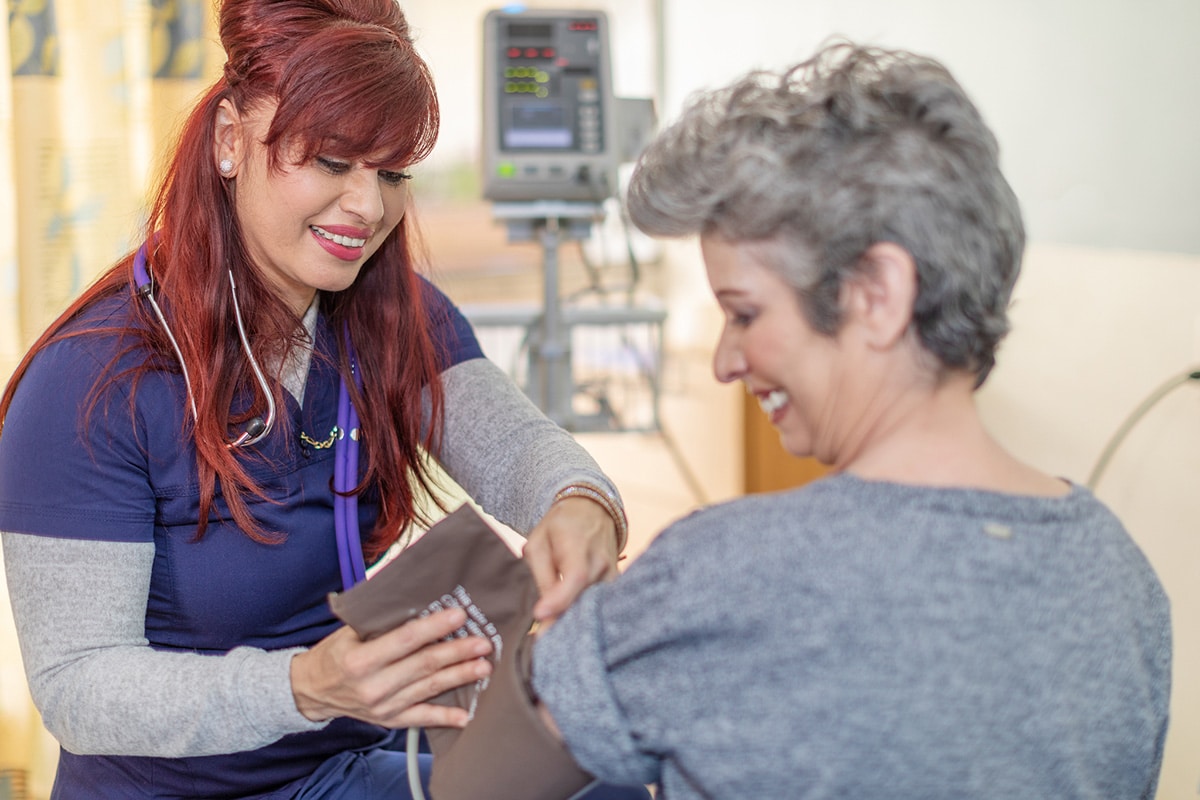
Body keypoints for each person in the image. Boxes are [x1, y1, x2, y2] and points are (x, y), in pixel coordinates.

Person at [0, 1, 648, 798]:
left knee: (612, 770)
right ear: (232, 141)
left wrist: (582, 505)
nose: (370, 208)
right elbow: (77, 688)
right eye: (334, 163)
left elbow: (520, 450)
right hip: (186, 788)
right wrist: (305, 687)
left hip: (349, 753)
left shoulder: (389, 315)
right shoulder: (92, 382)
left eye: (392, 172)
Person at [527, 41, 1172, 798]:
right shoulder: (1120, 580)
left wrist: (565, 638)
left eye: (744, 313)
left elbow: (491, 776)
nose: (724, 361)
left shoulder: (727, 575)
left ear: (876, 294)